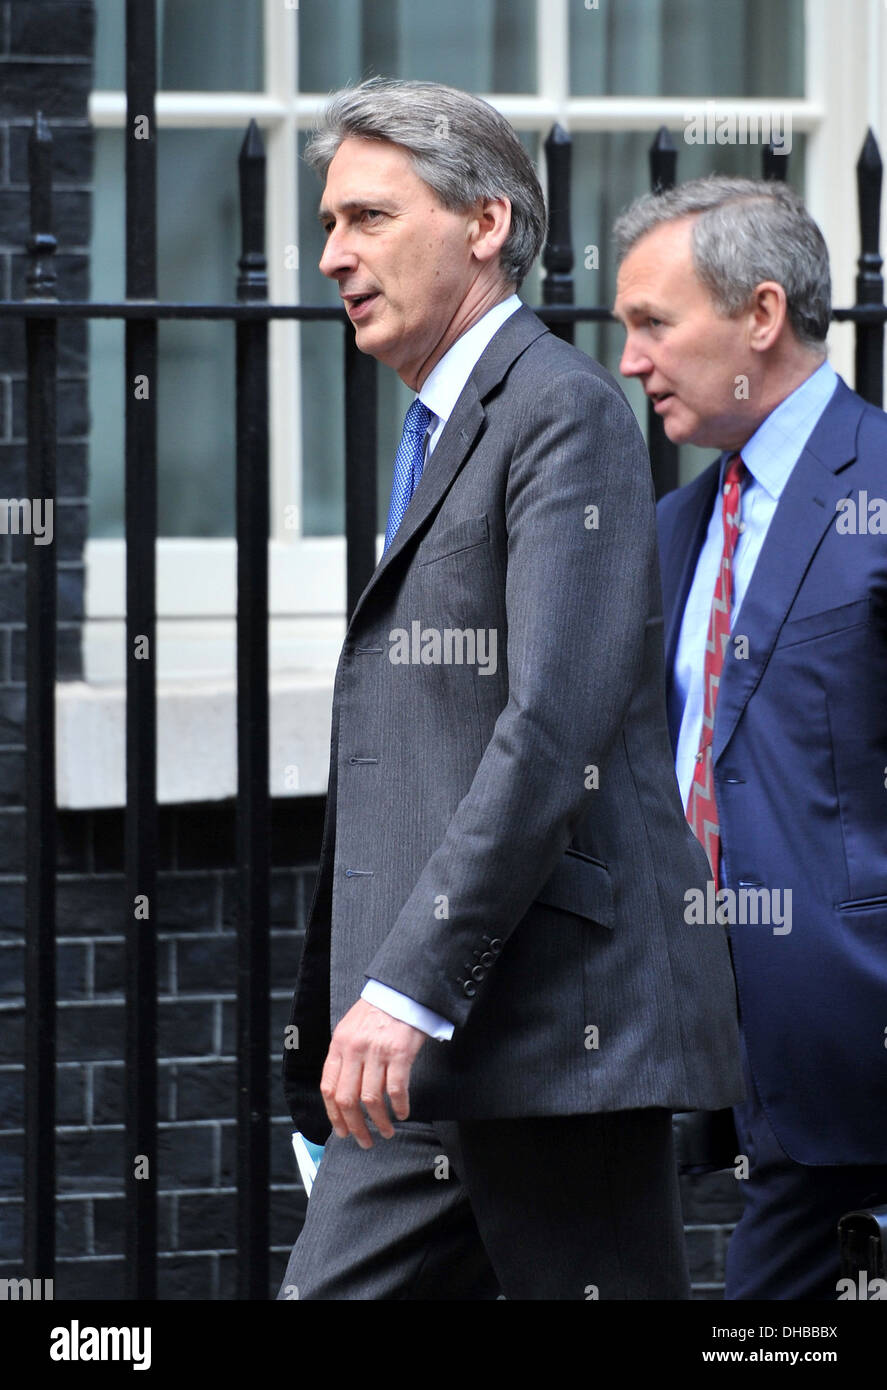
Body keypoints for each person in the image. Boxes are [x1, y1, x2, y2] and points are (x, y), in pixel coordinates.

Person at [278, 79, 743, 1302]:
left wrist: (400, 987)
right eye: (329, 225)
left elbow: (551, 730)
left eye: (368, 218)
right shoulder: (441, 426)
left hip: (548, 1034)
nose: (332, 256)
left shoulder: (560, 412)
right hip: (431, 1051)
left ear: (484, 224)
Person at [613, 175, 887, 1301]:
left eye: (652, 323)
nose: (629, 361)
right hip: (733, 1043)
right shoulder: (676, 522)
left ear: (759, 315)